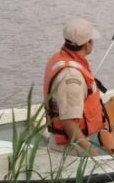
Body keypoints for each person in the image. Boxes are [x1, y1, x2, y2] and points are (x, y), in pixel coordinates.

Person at [43, 18, 107, 156]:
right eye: (91, 40)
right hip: (71, 150)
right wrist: (93, 154)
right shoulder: (71, 77)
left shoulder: (61, 58)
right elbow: (69, 124)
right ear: (87, 45)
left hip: (75, 143)